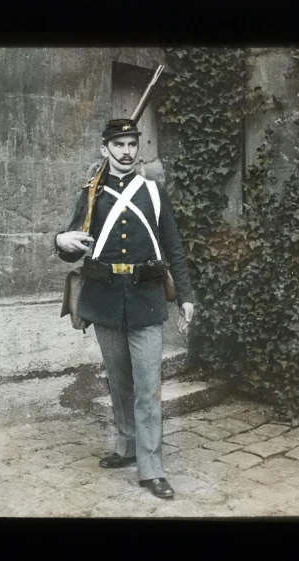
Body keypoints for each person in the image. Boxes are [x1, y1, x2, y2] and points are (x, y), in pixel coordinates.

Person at [55, 118, 194, 499]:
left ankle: (152, 468)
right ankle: (127, 447)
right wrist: (59, 239)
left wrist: (186, 297)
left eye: (132, 144)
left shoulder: (153, 190)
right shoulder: (90, 193)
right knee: (119, 383)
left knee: (148, 388)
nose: (127, 151)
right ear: (105, 150)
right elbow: (70, 247)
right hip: (103, 300)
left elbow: (174, 245)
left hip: (146, 300)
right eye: (119, 145)